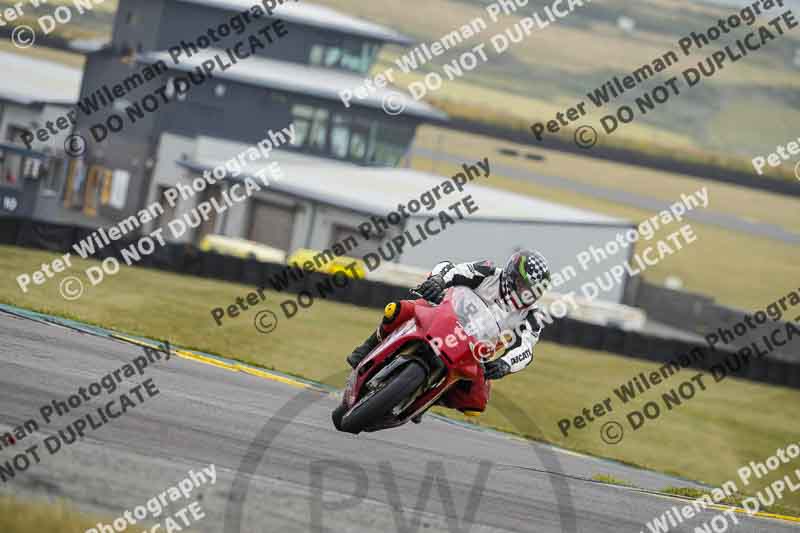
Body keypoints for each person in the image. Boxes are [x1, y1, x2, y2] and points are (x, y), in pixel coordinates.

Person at [346, 250, 551, 415]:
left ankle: (426, 399)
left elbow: (525, 349)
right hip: (442, 313)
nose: (528, 293)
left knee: (476, 403)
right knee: (398, 310)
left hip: (473, 350)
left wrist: (505, 364)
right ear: (511, 276)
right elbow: (451, 268)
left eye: (534, 290)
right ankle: (368, 348)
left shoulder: (533, 316)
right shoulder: (487, 271)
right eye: (524, 286)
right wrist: (437, 281)